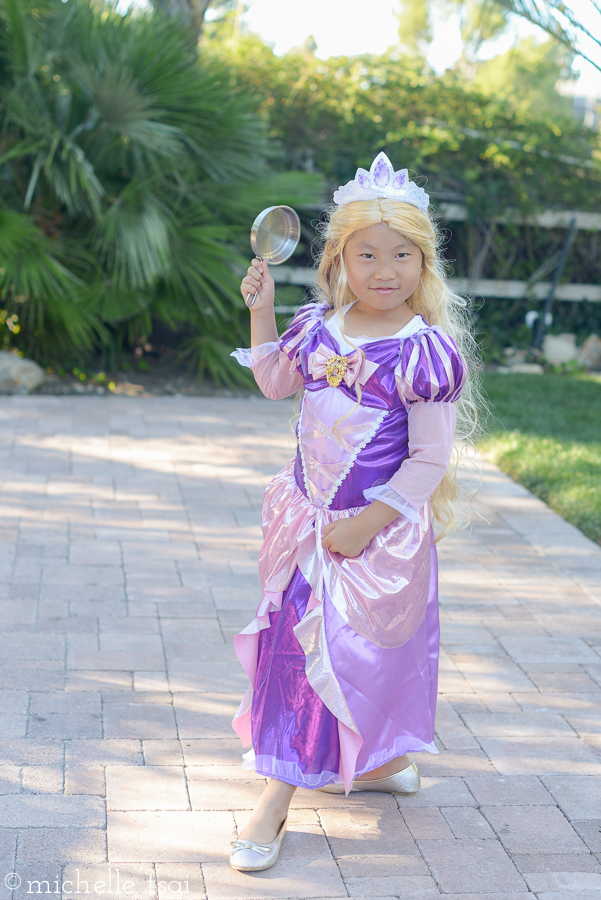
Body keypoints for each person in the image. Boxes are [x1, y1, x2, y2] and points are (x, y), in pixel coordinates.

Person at [228, 152, 483, 873]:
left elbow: (429, 459)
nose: (383, 269)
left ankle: (341, 772)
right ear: (339, 260)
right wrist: (261, 312)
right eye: (365, 254)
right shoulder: (317, 328)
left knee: (350, 659)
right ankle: (294, 786)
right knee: (297, 652)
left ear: (422, 265)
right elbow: (277, 384)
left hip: (369, 534)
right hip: (308, 522)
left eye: (401, 255)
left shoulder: (423, 352)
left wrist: (366, 523)